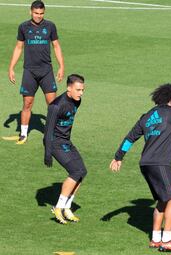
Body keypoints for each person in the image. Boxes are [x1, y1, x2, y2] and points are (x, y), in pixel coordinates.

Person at [110, 84, 171, 253]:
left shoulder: (146, 117)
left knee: (163, 200)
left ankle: (155, 239)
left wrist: (118, 157)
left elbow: (130, 138)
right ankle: (167, 240)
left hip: (145, 164)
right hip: (160, 163)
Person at [8, 0, 64, 144]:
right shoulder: (23, 27)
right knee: (27, 103)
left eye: (41, 13)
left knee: (53, 105)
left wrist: (61, 66)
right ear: (30, 12)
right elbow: (18, 48)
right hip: (29, 72)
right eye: (36, 13)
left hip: (46, 71)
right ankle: (23, 134)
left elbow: (56, 46)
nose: (38, 16)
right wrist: (11, 67)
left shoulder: (50, 26)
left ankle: (55, 134)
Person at [44, 74, 86, 224]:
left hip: (66, 141)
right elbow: (48, 130)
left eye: (82, 90)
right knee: (75, 171)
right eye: (78, 90)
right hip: (55, 143)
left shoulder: (77, 101)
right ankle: (58, 207)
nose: (81, 93)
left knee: (82, 172)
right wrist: (47, 152)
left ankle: (67, 208)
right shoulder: (56, 106)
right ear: (69, 88)